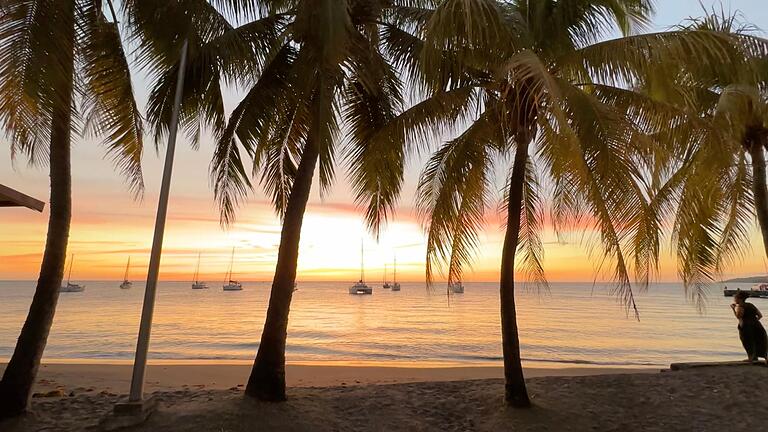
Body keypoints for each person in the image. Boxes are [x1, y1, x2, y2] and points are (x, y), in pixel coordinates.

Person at [731, 290, 768, 364]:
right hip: (757, 325)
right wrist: (754, 321)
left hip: (746, 326)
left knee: (748, 342)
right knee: (759, 341)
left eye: (735, 297)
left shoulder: (740, 306)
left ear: (740, 299)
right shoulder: (751, 305)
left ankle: (751, 358)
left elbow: (739, 317)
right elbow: (760, 315)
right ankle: (763, 357)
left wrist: (733, 309)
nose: (734, 299)